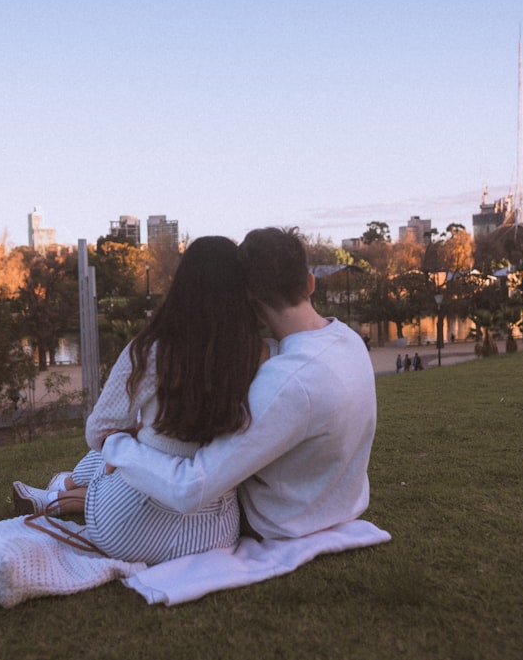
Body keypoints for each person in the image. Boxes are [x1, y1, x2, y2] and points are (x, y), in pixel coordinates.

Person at [100, 227, 377, 541]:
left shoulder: (286, 381)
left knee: (136, 451)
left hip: (280, 521)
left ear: (247, 297)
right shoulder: (349, 340)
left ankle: (80, 496)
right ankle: (73, 494)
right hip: (338, 504)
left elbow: (191, 488)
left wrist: (117, 446)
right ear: (310, 283)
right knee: (147, 441)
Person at [11, 236, 272, 564]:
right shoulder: (263, 356)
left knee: (117, 446)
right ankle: (59, 492)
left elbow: (98, 433)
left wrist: (130, 437)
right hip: (214, 534)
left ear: (183, 286)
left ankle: (58, 492)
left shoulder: (155, 350)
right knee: (133, 446)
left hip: (128, 530)